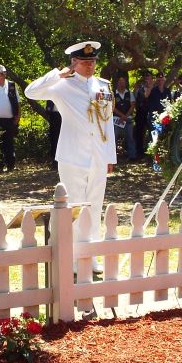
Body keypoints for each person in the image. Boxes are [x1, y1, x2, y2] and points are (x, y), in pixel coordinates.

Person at [24, 41, 116, 247]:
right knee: (74, 207)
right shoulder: (61, 85)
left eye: (92, 61)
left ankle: (91, 254)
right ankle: (73, 256)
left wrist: (110, 157)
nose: (90, 65)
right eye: (84, 62)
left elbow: (107, 123)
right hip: (73, 157)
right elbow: (30, 92)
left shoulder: (102, 85)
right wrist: (58, 74)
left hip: (98, 156)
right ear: (73, 62)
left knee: (94, 206)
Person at [111, 73, 136, 160]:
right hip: (116, 120)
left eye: (123, 82)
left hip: (128, 119)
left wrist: (125, 116)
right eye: (120, 81)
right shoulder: (113, 94)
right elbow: (112, 107)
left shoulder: (130, 93)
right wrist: (122, 116)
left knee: (130, 138)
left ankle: (132, 156)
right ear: (117, 83)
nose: (121, 83)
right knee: (114, 138)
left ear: (125, 83)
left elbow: (132, 105)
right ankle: (112, 157)